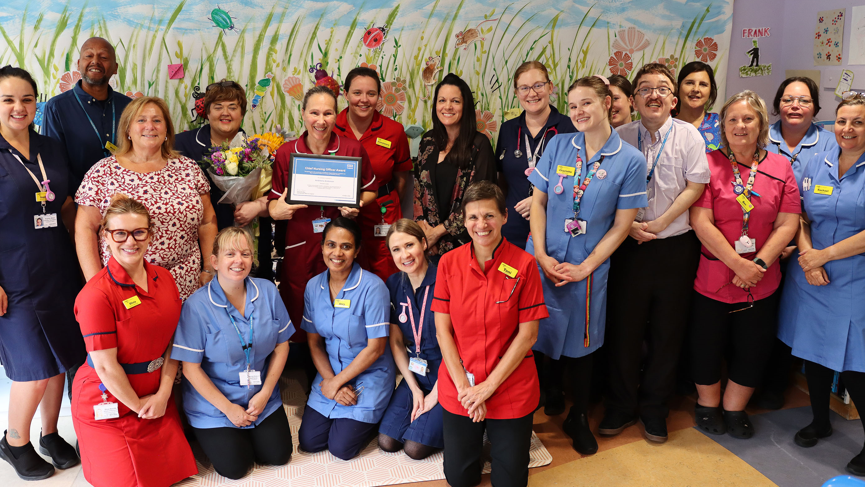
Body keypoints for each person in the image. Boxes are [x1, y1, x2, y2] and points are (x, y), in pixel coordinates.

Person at [527, 75, 648, 454]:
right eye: (574, 105)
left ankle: (578, 414)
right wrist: (542, 255)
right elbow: (539, 203)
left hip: (588, 267)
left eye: (587, 104)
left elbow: (621, 227)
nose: (578, 112)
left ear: (607, 103)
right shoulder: (559, 145)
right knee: (536, 333)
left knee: (583, 342)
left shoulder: (629, 159)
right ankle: (544, 396)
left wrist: (585, 268)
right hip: (543, 258)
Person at [603, 63, 709, 444]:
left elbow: (695, 186)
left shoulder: (689, 137)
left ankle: (654, 410)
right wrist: (628, 227)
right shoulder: (618, 137)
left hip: (674, 248)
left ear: (673, 99)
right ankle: (620, 404)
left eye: (662, 88)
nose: (654, 94)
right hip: (627, 246)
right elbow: (607, 190)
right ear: (633, 100)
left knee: (667, 332)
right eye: (645, 88)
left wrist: (661, 222)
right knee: (624, 330)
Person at [688, 91, 800, 439]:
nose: (740, 126)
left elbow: (788, 222)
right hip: (715, 274)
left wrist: (759, 264)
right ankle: (707, 405)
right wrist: (738, 263)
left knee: (753, 347)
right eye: (733, 119)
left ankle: (735, 408)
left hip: (761, 279)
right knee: (705, 344)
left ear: (762, 125)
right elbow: (700, 221)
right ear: (722, 125)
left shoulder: (781, 166)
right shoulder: (707, 163)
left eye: (748, 119)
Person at [71, 195, 197, 487]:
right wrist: (140, 406)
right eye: (120, 233)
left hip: (155, 392)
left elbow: (172, 341)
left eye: (139, 232)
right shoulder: (95, 295)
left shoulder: (164, 278)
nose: (130, 241)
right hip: (109, 397)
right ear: (106, 235)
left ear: (150, 234)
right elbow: (104, 367)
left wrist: (164, 393)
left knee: (173, 473)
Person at [433, 181, 548, 487]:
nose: (481, 224)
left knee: (510, 483)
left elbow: (529, 335)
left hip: (509, 384)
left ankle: (499, 439)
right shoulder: (447, 263)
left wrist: (486, 389)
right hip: (461, 383)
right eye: (473, 217)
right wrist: (466, 389)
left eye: (489, 216)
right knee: (459, 478)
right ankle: (481, 438)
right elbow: (443, 331)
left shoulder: (524, 264)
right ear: (464, 220)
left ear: (505, 216)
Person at [0, 66, 85, 481]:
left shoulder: (50, 147)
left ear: (37, 102)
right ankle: (14, 441)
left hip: (59, 269)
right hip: (13, 279)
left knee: (61, 359)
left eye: (26, 99)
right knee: (33, 369)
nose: (19, 107)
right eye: (8, 99)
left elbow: (63, 203)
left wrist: (93, 244)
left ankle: (50, 434)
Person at [778, 93, 865, 475]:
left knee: (855, 364)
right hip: (810, 272)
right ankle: (819, 420)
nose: (848, 129)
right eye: (842, 121)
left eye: (858, 122)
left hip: (853, 278)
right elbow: (796, 211)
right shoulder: (816, 161)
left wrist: (824, 257)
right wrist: (808, 255)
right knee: (812, 352)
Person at [172, 227, 293, 479]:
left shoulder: (267, 291)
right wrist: (228, 409)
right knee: (235, 469)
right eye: (230, 254)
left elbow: (282, 344)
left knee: (278, 455)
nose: (239, 260)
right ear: (215, 261)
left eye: (245, 254)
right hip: (215, 404)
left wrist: (266, 393)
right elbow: (190, 368)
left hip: (260, 395)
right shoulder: (196, 306)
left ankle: (250, 429)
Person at [75, 96, 218, 300]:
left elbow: (207, 221)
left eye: (157, 120)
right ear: (128, 129)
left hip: (187, 284)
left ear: (167, 129)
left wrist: (209, 269)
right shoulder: (103, 172)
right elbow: (85, 229)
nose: (150, 126)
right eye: (141, 120)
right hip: (126, 287)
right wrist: (96, 284)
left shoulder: (188, 168)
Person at [754, 76, 839, 410]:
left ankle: (776, 384)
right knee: (760, 317)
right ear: (777, 104)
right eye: (788, 99)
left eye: (803, 100)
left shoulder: (831, 143)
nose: (795, 106)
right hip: (760, 245)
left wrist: (797, 244)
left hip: (807, 246)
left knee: (791, 320)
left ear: (816, 108)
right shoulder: (761, 135)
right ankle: (750, 380)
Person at [297, 217, 394, 460]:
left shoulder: (373, 287)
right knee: (310, 441)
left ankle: (380, 410)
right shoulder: (312, 287)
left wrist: (337, 382)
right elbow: (314, 342)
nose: (337, 253)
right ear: (321, 247)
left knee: (341, 448)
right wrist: (332, 382)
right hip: (330, 372)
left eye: (346, 246)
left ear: (357, 250)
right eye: (331, 245)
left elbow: (376, 349)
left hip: (369, 373)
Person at [335, 67, 413, 282]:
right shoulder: (331, 128)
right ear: (346, 94)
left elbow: (401, 179)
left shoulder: (394, 131)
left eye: (371, 94)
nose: (364, 100)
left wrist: (387, 203)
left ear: (379, 96)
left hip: (382, 213)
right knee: (344, 271)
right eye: (357, 93)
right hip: (340, 213)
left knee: (387, 272)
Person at [378, 219, 443, 459]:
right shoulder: (394, 284)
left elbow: (459, 346)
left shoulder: (445, 280)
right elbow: (395, 342)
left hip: (446, 373)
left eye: (409, 245)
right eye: (396, 249)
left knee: (414, 448)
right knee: (388, 440)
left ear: (423, 243)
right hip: (415, 371)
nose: (404, 254)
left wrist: (434, 396)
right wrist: (415, 389)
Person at [414, 73, 497, 256]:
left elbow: (480, 199)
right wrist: (424, 229)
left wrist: (438, 233)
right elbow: (418, 186)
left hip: (465, 243)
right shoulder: (428, 140)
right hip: (428, 244)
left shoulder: (479, 144)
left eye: (455, 101)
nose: (447, 107)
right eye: (442, 100)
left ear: (465, 106)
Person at [496, 61, 575, 251]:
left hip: (554, 226)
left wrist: (542, 198)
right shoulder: (507, 129)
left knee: (546, 279)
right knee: (513, 278)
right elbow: (501, 181)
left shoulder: (570, 128)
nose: (532, 93)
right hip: (512, 228)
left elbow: (577, 181)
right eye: (524, 88)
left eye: (538, 85)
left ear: (550, 87)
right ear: (516, 93)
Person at [42, 37, 132, 192]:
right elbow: (53, 162)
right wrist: (69, 203)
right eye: (89, 56)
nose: (95, 61)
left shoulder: (129, 107)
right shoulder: (56, 107)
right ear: (78, 64)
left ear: (115, 68)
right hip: (78, 201)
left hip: (125, 200)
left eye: (103, 57)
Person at [674, 61, 721, 153]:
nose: (696, 89)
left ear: (710, 91)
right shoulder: (665, 126)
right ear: (678, 88)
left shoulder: (723, 124)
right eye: (689, 83)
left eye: (703, 84)